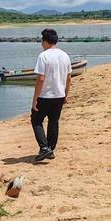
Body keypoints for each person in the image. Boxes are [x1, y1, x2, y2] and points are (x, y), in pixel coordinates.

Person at [31, 28, 72, 162]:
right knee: (53, 122)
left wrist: (35, 98)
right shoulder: (65, 55)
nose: (41, 43)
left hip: (45, 95)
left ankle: (44, 148)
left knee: (36, 120)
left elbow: (40, 79)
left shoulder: (44, 56)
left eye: (42, 40)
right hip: (59, 94)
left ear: (46, 41)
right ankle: (51, 150)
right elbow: (68, 77)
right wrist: (65, 94)